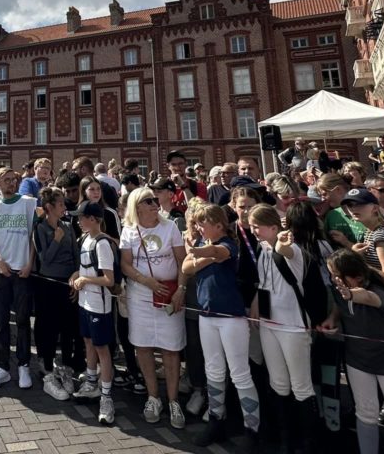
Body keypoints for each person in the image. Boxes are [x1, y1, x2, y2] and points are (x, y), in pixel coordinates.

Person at [319, 250, 384, 454]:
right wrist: (333, 318)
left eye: (337, 275)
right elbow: (340, 306)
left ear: (357, 277)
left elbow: (369, 298)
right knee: (365, 414)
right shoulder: (337, 286)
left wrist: (350, 294)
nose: (333, 278)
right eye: (332, 274)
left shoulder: (377, 290)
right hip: (357, 360)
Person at [183, 204, 261, 450]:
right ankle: (216, 421)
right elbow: (186, 267)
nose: (199, 227)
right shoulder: (210, 244)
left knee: (239, 373)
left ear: (218, 225)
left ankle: (252, 429)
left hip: (231, 317)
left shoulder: (229, 244)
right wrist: (198, 256)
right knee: (213, 371)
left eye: (203, 223)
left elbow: (212, 252)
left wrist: (196, 252)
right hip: (208, 316)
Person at [247, 204, 319, 452]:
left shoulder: (291, 248)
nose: (254, 230)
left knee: (301, 385)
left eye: (258, 225)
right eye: (252, 225)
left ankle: (307, 441)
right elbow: (264, 282)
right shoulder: (262, 249)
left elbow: (285, 251)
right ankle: (285, 439)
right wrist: (256, 302)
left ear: (274, 226)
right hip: (269, 324)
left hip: (292, 326)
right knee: (278, 382)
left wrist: (281, 243)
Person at [119, 186, 187, 429]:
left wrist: (181, 289)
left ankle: (173, 400)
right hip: (141, 296)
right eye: (148, 201)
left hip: (169, 296)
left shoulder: (170, 227)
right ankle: (153, 397)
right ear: (137, 206)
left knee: (171, 347)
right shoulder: (128, 230)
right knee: (144, 346)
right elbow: (125, 265)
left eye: (155, 200)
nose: (154, 203)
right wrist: (145, 281)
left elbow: (183, 262)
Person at [0, 167, 37, 391]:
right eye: (6, 180)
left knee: (23, 321)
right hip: (1, 271)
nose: (11, 183)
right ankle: (3, 366)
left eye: (14, 180)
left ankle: (23, 364)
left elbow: (34, 235)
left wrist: (30, 262)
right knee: (1, 321)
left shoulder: (27, 203)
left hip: (22, 271)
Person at [70, 200, 117, 426]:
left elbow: (109, 279)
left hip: (100, 304)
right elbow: (84, 267)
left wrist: (85, 279)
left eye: (82, 217)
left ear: (94, 219)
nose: (78, 221)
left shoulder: (102, 243)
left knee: (102, 349)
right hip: (85, 303)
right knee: (88, 342)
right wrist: (75, 275)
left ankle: (106, 396)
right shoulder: (84, 239)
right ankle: (90, 382)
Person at [32, 186, 81, 401]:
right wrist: (56, 239)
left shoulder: (68, 227)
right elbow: (45, 259)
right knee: (48, 325)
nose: (64, 207)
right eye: (60, 204)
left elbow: (75, 256)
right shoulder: (40, 228)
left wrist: (76, 278)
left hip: (67, 282)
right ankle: (46, 364)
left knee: (68, 325)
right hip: (47, 282)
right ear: (49, 207)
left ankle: (66, 366)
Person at [315, 172, 365, 248]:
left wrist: (346, 242)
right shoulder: (331, 215)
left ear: (338, 189)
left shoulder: (365, 213)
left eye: (325, 194)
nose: (322, 199)